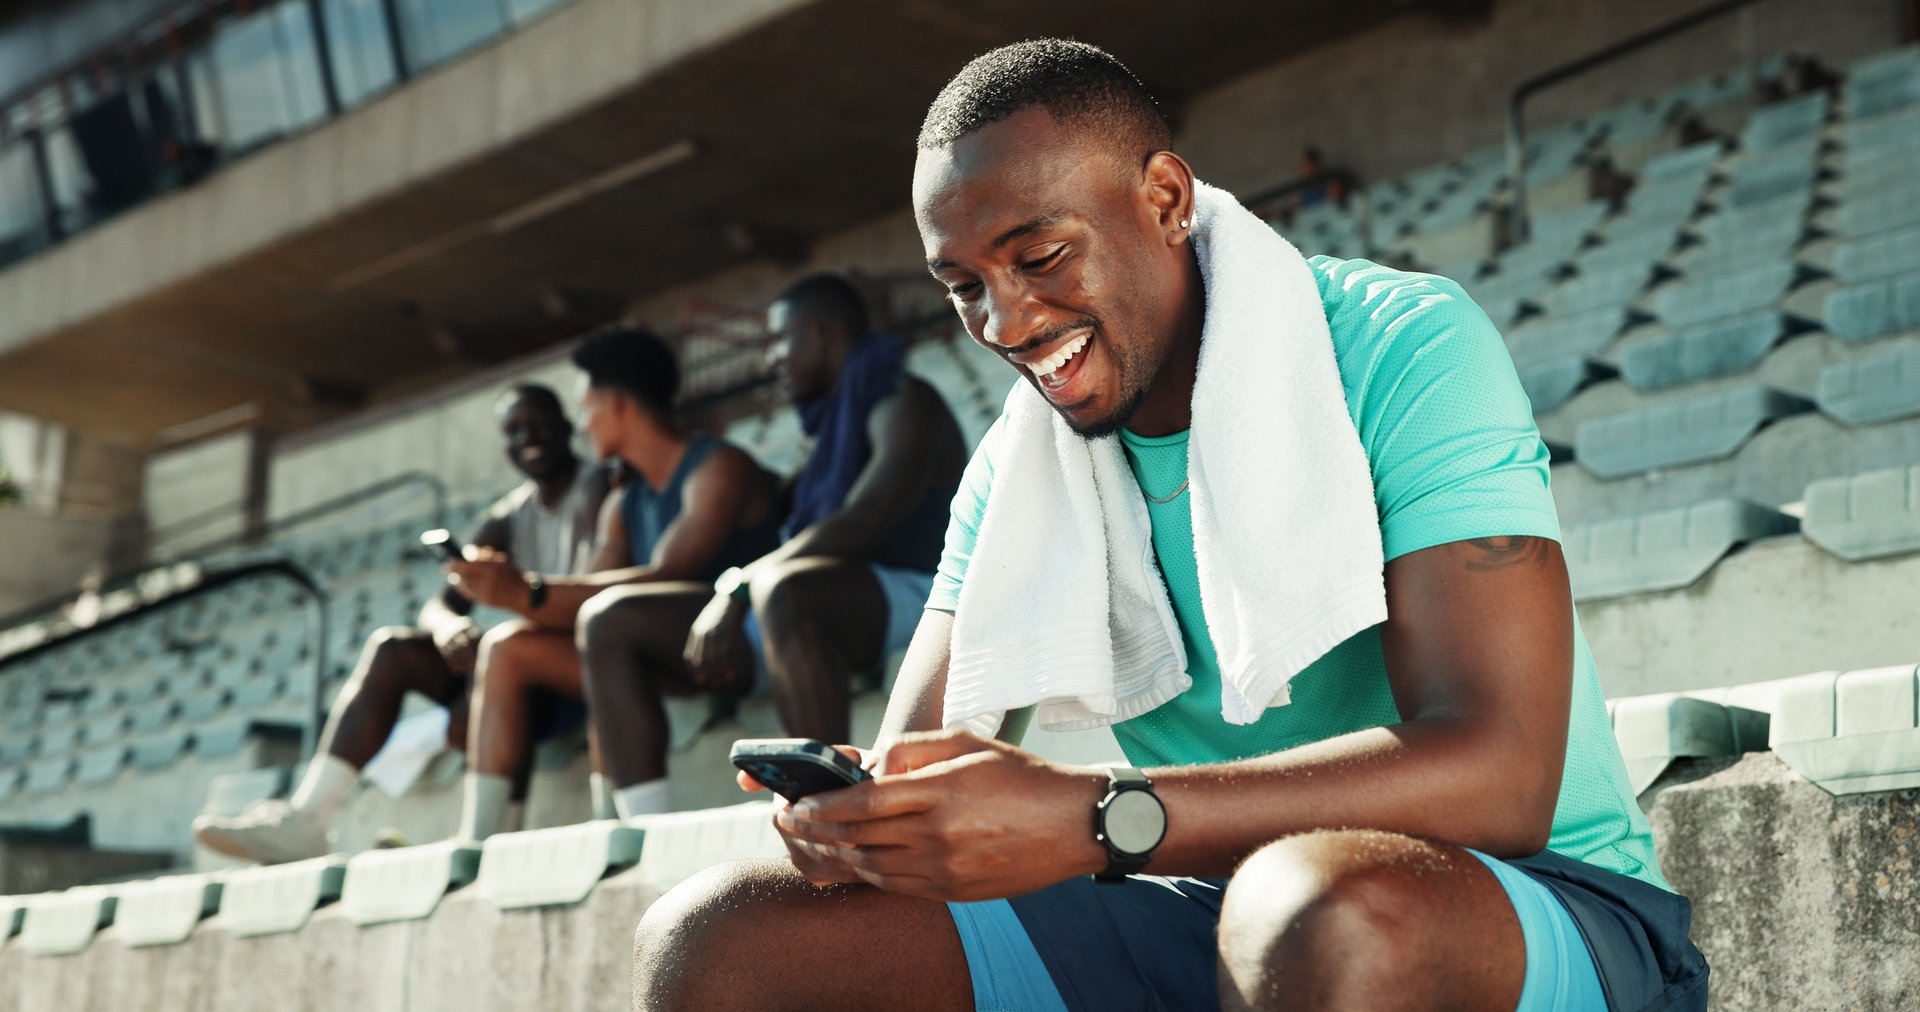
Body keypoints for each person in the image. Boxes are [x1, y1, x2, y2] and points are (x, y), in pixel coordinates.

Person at [630, 39, 1708, 1012]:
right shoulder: (1019, 464)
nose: (1005, 323)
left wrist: (1096, 817)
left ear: (1165, 198)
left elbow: (1504, 775)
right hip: (1222, 908)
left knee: (1318, 915)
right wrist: (860, 826)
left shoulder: (1404, 344)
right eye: (963, 286)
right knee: (722, 940)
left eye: (1039, 257)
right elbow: (913, 763)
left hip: (1530, 905)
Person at [575, 273, 966, 819]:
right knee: (608, 619)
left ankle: (825, 805)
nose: (770, 360)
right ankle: (643, 827)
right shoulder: (823, 434)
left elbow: (860, 524)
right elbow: (780, 513)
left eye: (780, 341)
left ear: (823, 335)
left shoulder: (904, 401)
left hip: (918, 598)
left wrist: (737, 585)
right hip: (807, 604)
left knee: (783, 588)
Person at [193, 383, 607, 864]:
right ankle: (308, 819)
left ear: (565, 425)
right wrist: (449, 627)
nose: (527, 437)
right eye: (513, 430)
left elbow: (598, 595)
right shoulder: (506, 516)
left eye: (536, 423)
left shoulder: (599, 489)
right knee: (393, 649)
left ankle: (492, 839)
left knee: (500, 663)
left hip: (576, 665)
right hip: (518, 665)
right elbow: (437, 606)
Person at [439, 324, 784, 839]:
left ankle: (644, 827)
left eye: (585, 409)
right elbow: (590, 590)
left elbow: (667, 576)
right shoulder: (624, 500)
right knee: (507, 646)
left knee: (609, 620)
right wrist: (509, 592)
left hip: (742, 645)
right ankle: (482, 840)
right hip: (657, 655)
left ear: (617, 405)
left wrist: (527, 591)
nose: (582, 426)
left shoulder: (718, 466)